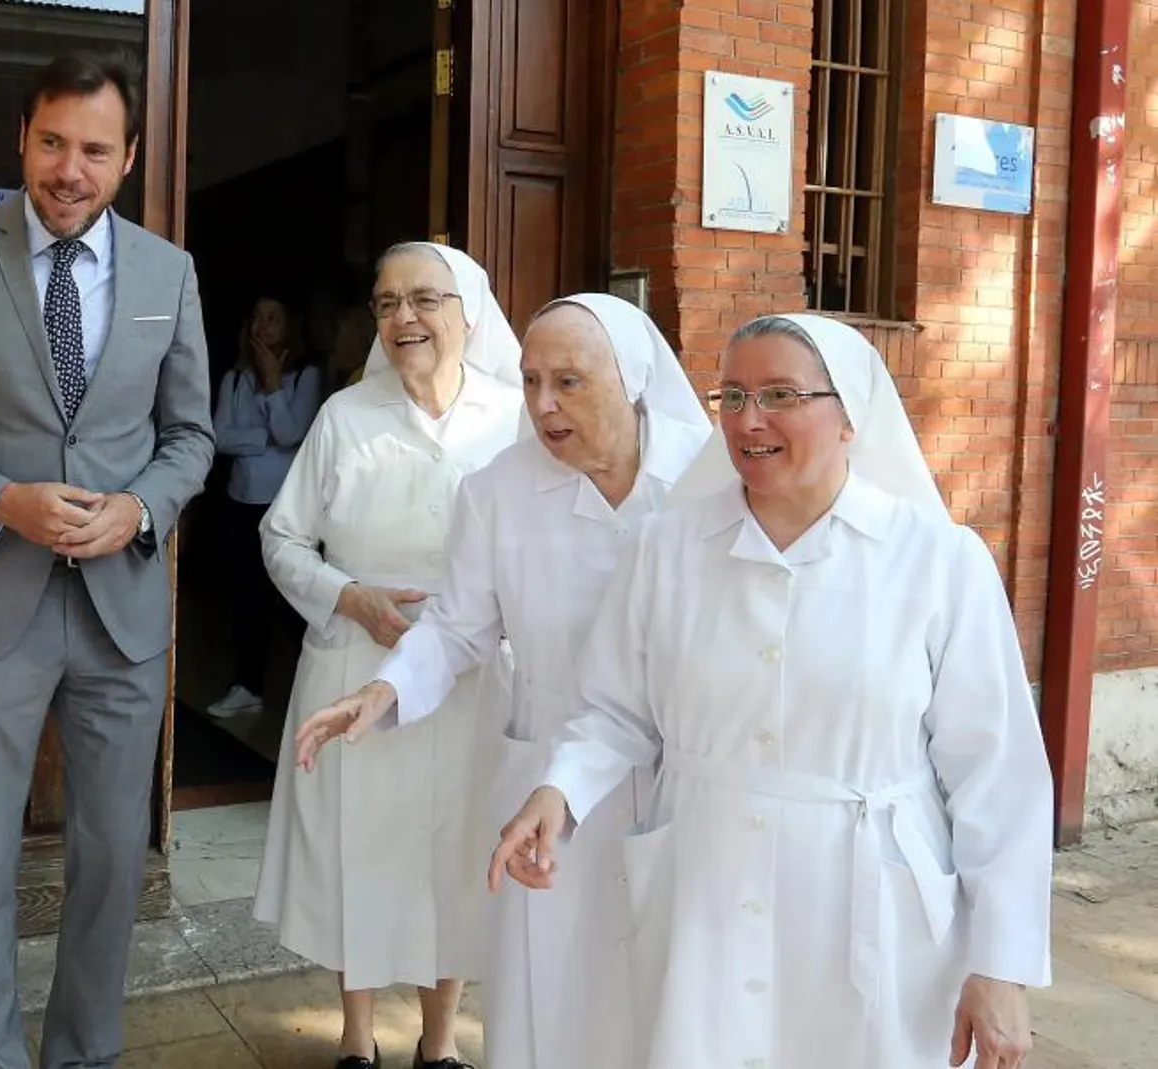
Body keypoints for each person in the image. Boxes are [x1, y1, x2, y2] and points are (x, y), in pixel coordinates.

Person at [492, 314, 1054, 1069]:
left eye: (781, 394)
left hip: (871, 900)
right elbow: (616, 710)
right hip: (704, 887)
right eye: (732, 396)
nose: (748, 420)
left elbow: (1000, 777)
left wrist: (1002, 964)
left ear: (850, 414)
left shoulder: (939, 562)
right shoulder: (669, 547)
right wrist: (557, 791)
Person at [0, 52, 214, 1069]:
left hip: (122, 613)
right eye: (53, 142)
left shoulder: (167, 273)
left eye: (95, 150)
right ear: (22, 138)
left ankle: (82, 1056)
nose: (71, 169)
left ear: (129, 158)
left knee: (110, 861)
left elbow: (190, 436)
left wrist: (141, 507)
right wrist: (0, 499)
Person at [292, 292, 712, 1069]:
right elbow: (458, 627)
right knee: (553, 1000)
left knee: (669, 1004)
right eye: (529, 381)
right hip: (547, 774)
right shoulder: (497, 491)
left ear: (633, 378)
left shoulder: (705, 479)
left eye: (570, 382)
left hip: (680, 776)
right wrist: (381, 691)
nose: (544, 405)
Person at [253, 241, 520, 1069]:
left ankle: (439, 1044)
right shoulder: (345, 416)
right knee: (357, 850)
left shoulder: (514, 419)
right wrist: (351, 596)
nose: (405, 318)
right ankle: (358, 1037)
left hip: (475, 675)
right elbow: (282, 535)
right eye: (387, 302)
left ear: (468, 311)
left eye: (425, 300)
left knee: (455, 850)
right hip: (354, 663)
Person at [206, 295, 322, 718]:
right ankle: (247, 686)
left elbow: (292, 434)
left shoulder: (305, 376)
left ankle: (310, 691)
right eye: (257, 316)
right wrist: (263, 441)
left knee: (294, 602)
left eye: (274, 317)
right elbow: (218, 436)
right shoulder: (235, 380)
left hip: (287, 508)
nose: (264, 324)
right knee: (247, 599)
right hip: (241, 502)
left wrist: (273, 385)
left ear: (290, 324)